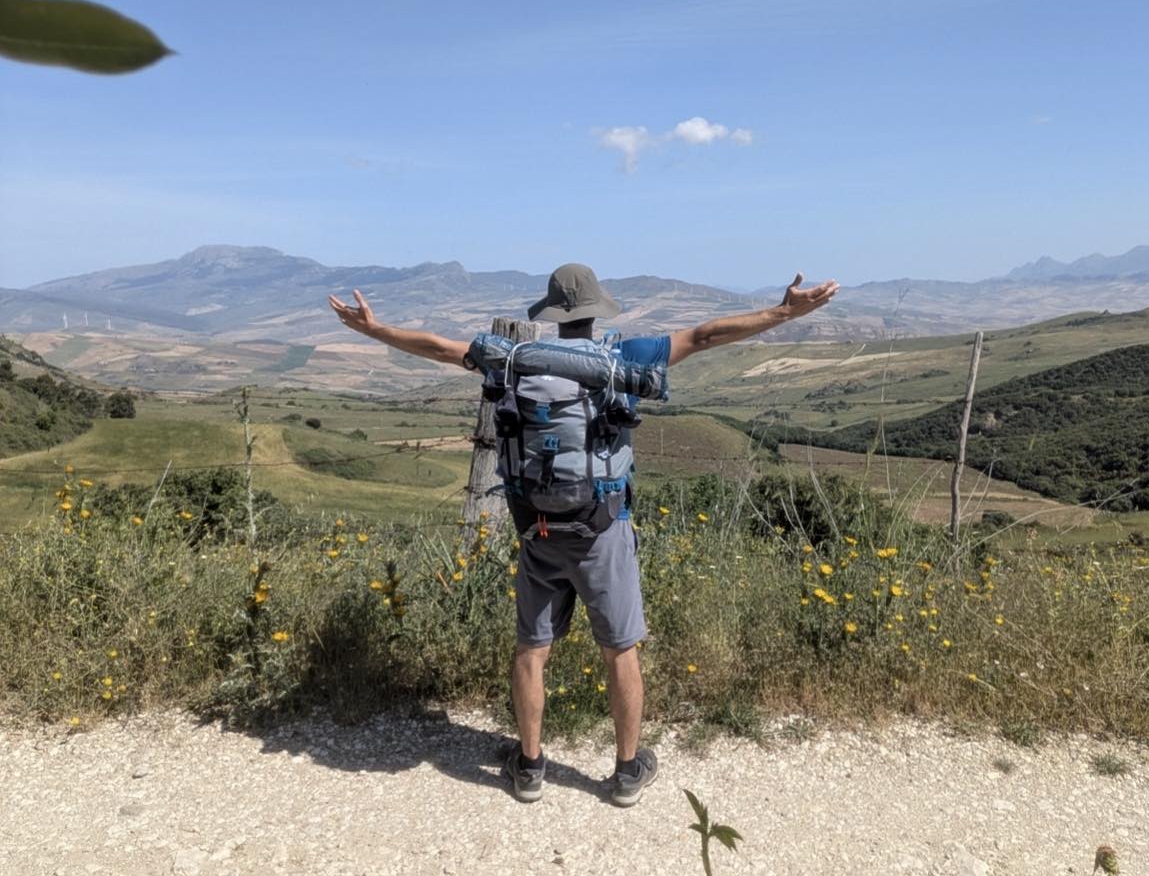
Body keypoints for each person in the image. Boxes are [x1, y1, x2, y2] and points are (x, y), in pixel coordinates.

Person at [329, 263, 839, 805]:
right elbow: (706, 335)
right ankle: (625, 774)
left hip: (537, 530)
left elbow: (436, 347)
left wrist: (373, 329)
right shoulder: (624, 358)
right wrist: (784, 312)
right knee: (620, 650)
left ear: (549, 314)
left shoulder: (513, 362)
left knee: (532, 649)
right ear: (597, 311)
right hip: (602, 529)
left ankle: (528, 768)